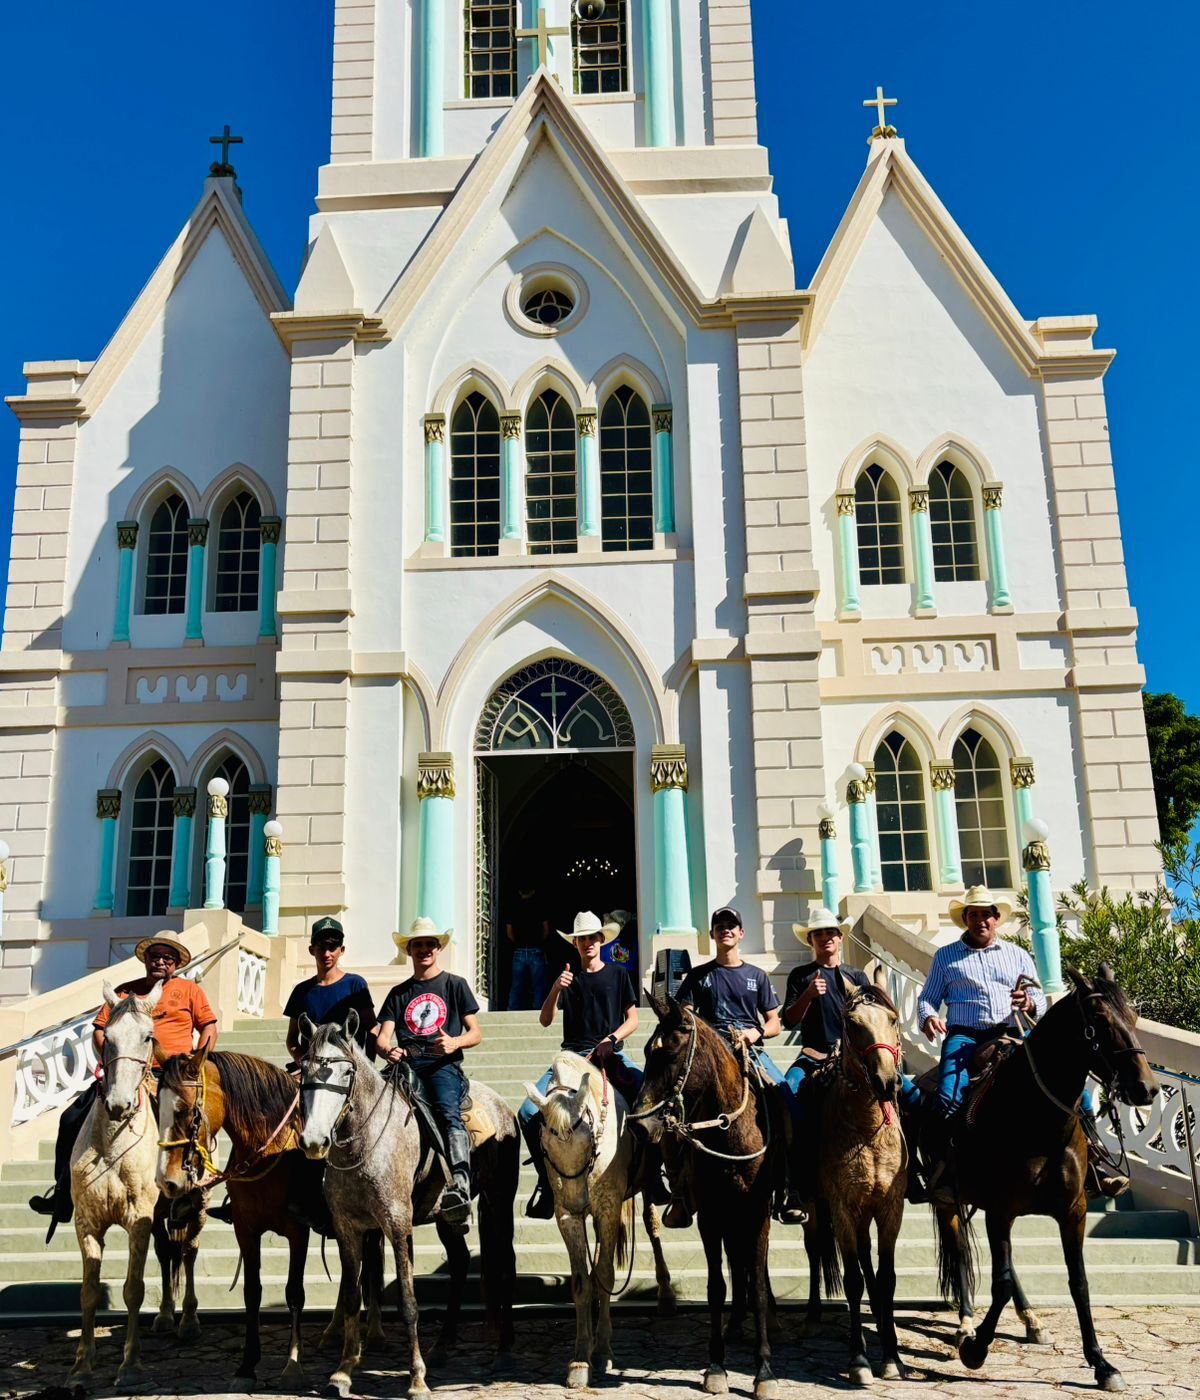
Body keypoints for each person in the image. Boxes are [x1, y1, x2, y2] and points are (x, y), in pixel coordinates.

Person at [29, 935, 217, 1237]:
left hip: (172, 1073)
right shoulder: (125, 992)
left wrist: (198, 1059)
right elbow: (101, 1030)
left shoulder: (189, 991)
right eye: (155, 955)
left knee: (189, 1122)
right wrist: (112, 1061)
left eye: (168, 958)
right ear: (146, 959)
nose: (160, 961)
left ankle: (190, 1194)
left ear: (176, 964)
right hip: (125, 1073)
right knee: (70, 1118)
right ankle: (63, 1195)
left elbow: (208, 1025)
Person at [675, 906, 806, 1225]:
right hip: (710, 1057)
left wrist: (755, 1032)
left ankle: (791, 1188)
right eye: (719, 926)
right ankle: (679, 1193)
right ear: (712, 934)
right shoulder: (698, 976)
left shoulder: (757, 976)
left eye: (731, 925)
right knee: (675, 1108)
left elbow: (775, 1022)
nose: (726, 930)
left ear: (741, 933)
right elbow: (685, 1017)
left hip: (751, 1052)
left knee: (788, 1103)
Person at [915, 886, 1046, 1199]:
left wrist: (1028, 1002)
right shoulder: (946, 956)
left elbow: (1039, 997)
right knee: (946, 1098)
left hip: (1012, 1030)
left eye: (986, 914)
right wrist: (929, 1018)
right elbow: (927, 1000)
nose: (980, 920)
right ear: (965, 919)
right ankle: (944, 1169)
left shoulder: (1018, 955)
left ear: (997, 918)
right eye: (973, 914)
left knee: (1066, 1087)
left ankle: (1092, 1163)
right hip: (965, 1036)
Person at [518, 910, 641, 1219]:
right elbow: (545, 1020)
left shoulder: (618, 975)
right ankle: (548, 1185)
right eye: (581, 938)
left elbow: (633, 1020)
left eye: (592, 938)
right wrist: (556, 988)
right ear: (575, 943)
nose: (588, 943)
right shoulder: (567, 977)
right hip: (572, 1057)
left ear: (602, 941)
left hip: (610, 1053)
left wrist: (611, 1039)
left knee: (647, 1097)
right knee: (528, 1111)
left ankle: (648, 1175)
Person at [376, 918, 480, 1231]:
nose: (424, 949)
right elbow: (383, 1037)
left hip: (440, 1065)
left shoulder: (455, 984)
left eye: (429, 944)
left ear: (438, 949)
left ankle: (460, 1181)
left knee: (448, 1113)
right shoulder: (399, 993)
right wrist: (386, 1050)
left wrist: (455, 1042)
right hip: (405, 1065)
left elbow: (476, 1032)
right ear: (409, 950)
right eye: (418, 945)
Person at [782, 909, 873, 1094]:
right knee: (787, 1091)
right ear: (810, 940)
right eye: (818, 933)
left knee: (908, 1092)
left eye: (830, 932)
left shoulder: (857, 976)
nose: (825, 937)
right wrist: (808, 995)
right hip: (813, 1057)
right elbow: (788, 1021)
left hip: (856, 1056)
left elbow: (871, 1020)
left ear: (840, 937)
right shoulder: (800, 976)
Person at [284, 917, 378, 1061]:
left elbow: (372, 1029)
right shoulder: (301, 991)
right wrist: (303, 1062)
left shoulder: (355, 985)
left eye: (332, 947)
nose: (327, 954)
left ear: (342, 950)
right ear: (311, 950)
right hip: (313, 1070)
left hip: (349, 1069)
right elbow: (291, 1039)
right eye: (321, 947)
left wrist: (367, 1066)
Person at [505, 887, 550, 1012]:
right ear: (533, 891)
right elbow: (546, 931)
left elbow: (509, 933)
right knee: (538, 984)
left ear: (520, 892)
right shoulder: (540, 907)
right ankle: (538, 1011)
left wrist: (518, 943)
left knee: (517, 984)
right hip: (536, 950)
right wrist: (538, 942)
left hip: (519, 951)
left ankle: (512, 1009)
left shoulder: (513, 908)